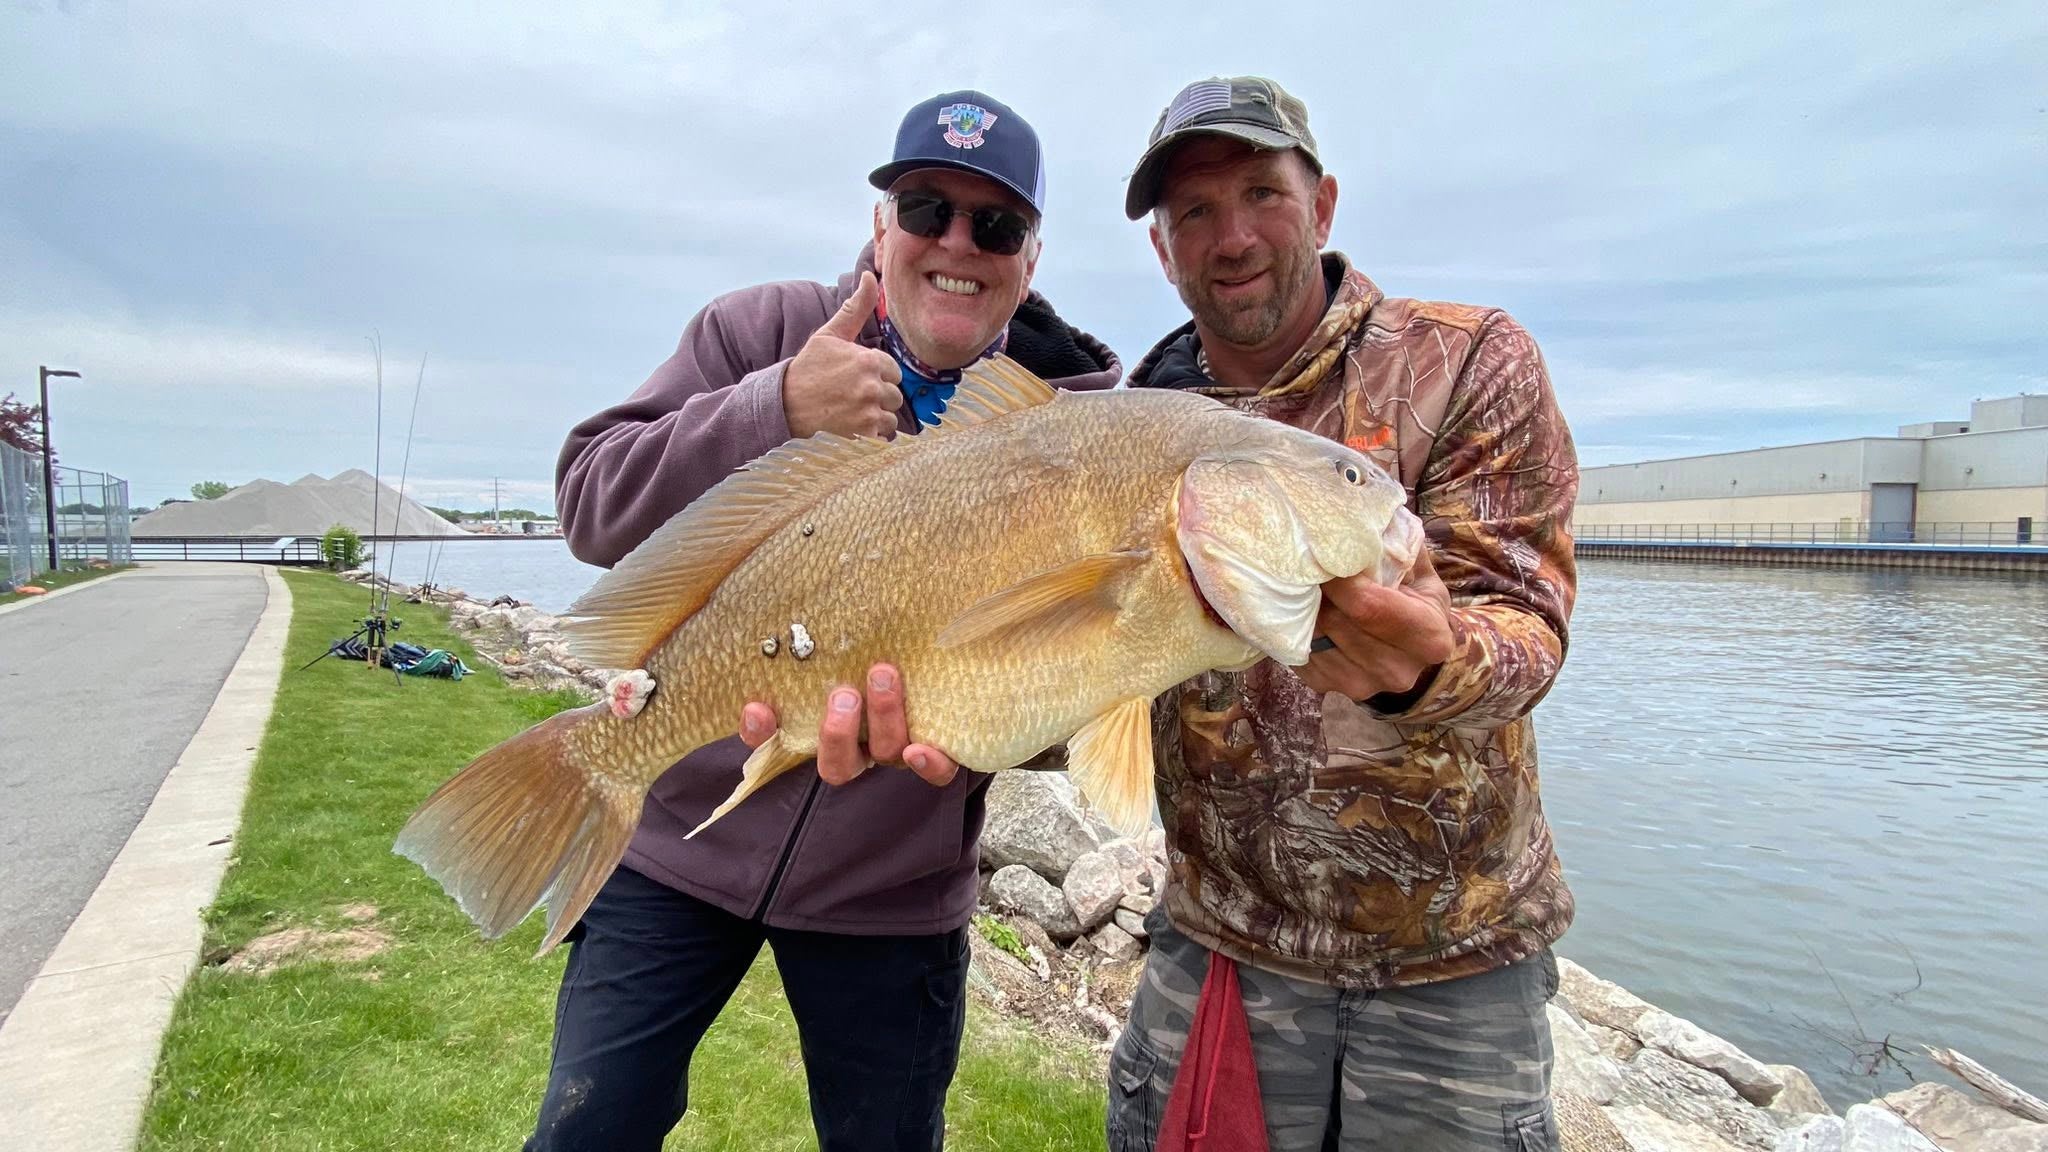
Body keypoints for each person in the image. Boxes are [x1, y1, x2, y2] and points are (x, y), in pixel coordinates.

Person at [537, 90, 1121, 1152]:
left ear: (1028, 261)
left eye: (994, 226)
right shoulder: (754, 333)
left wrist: (984, 733)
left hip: (890, 898)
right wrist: (774, 409)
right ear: (877, 228)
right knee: (586, 1131)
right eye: (923, 207)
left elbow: (1059, 681)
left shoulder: (1080, 431)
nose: (955, 242)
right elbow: (588, 503)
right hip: (674, 846)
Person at [1105, 77, 1581, 1152]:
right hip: (1220, 946)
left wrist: (1431, 666)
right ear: (1161, 249)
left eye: (1261, 194)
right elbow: (1088, 683)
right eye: (1192, 212)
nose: (1230, 237)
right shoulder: (1133, 431)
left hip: (1450, 970)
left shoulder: (1465, 359)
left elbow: (1526, 625)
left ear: (1321, 206)